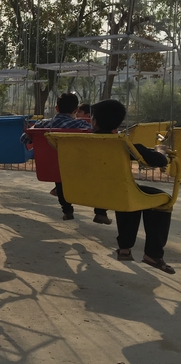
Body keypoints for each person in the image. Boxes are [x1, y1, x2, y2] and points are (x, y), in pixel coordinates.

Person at [89, 99, 175, 273]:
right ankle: (153, 254)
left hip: (91, 192)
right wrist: (160, 151)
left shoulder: (80, 142)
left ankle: (124, 248)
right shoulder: (124, 145)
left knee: (129, 194)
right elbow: (159, 161)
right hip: (117, 192)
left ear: (95, 122)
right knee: (160, 198)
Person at [22, 92, 110, 224]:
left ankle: (67, 211)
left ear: (56, 108)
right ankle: (100, 212)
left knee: (60, 180)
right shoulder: (81, 125)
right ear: (75, 110)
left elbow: (24, 139)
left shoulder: (43, 125)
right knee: (98, 180)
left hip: (52, 168)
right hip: (79, 166)